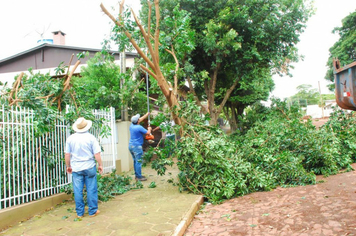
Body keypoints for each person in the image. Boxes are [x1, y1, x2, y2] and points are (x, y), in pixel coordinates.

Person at [65, 117, 103, 218]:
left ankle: (80, 213)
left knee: (77, 190)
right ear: (87, 126)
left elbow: (67, 154)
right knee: (91, 189)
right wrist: (100, 165)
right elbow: (97, 153)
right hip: (89, 166)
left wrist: (68, 166)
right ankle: (92, 211)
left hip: (76, 168)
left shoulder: (70, 138)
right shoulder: (91, 138)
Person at [129, 112, 152, 181]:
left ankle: (137, 175)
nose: (140, 119)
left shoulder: (131, 126)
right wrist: (149, 128)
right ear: (138, 121)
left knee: (135, 161)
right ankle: (139, 177)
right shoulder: (139, 127)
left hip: (131, 146)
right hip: (137, 147)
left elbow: (139, 120)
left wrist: (146, 115)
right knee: (138, 161)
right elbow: (148, 133)